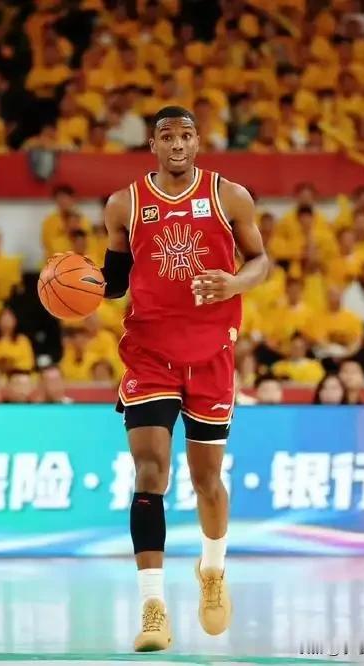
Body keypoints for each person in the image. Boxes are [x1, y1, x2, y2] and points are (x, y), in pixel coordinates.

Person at [99, 106, 269, 651]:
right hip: (149, 354)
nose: (178, 144)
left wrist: (234, 283)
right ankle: (153, 609)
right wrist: (79, 285)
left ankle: (212, 569)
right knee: (150, 471)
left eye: (187, 135)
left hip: (211, 354)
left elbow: (260, 261)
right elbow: (114, 281)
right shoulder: (124, 204)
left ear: (198, 142)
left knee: (206, 482)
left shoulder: (229, 196)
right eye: (168, 136)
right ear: (152, 144)